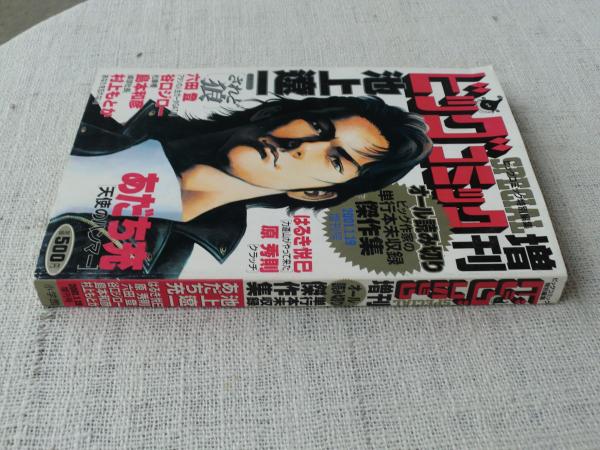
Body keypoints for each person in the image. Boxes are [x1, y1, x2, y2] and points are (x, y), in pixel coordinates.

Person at [43, 94, 432, 278]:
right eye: (317, 127)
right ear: (272, 114)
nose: (302, 147)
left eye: (335, 159)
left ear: (316, 193)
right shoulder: (93, 116)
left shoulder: (154, 268)